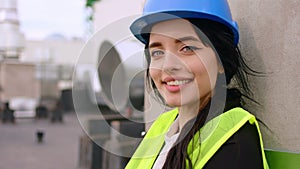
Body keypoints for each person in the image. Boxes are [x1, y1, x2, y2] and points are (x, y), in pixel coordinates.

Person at [125, 0, 269, 169]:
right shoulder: (163, 126)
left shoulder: (234, 142)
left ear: (220, 60)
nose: (168, 65)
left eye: (187, 48)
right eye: (157, 52)